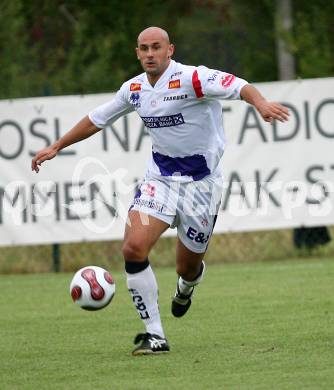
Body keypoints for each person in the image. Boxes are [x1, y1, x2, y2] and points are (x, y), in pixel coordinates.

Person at [31, 26, 289, 355]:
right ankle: (155, 334)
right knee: (133, 248)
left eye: (156, 47)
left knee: (187, 267)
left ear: (170, 50)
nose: (150, 53)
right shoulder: (135, 89)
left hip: (201, 186)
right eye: (144, 48)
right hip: (160, 180)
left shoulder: (194, 78)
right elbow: (98, 118)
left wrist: (261, 103)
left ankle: (186, 287)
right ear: (137, 53)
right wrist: (57, 145)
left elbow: (238, 86)